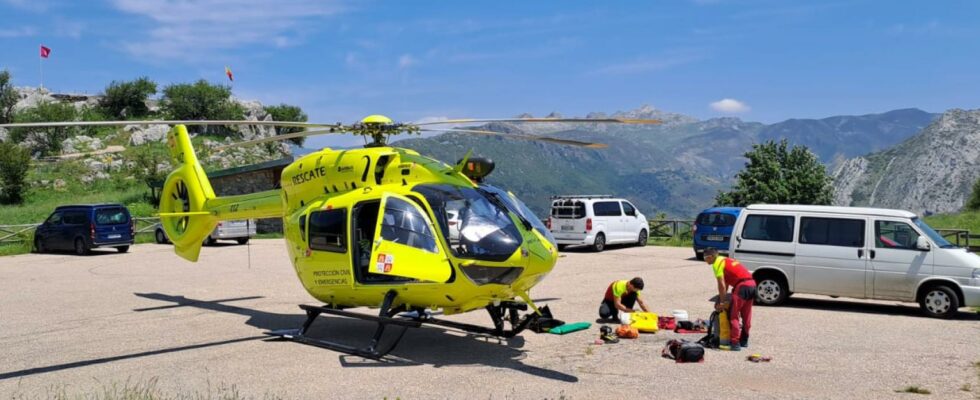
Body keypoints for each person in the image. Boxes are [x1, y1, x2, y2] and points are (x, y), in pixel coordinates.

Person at [703, 247, 757, 351]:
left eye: (705, 258)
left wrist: (723, 302)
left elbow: (721, 285)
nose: (705, 261)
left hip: (741, 286)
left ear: (711, 257)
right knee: (747, 314)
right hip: (752, 284)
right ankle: (744, 340)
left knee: (733, 315)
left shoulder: (716, 264)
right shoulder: (726, 260)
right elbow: (726, 284)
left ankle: (735, 343)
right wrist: (720, 299)